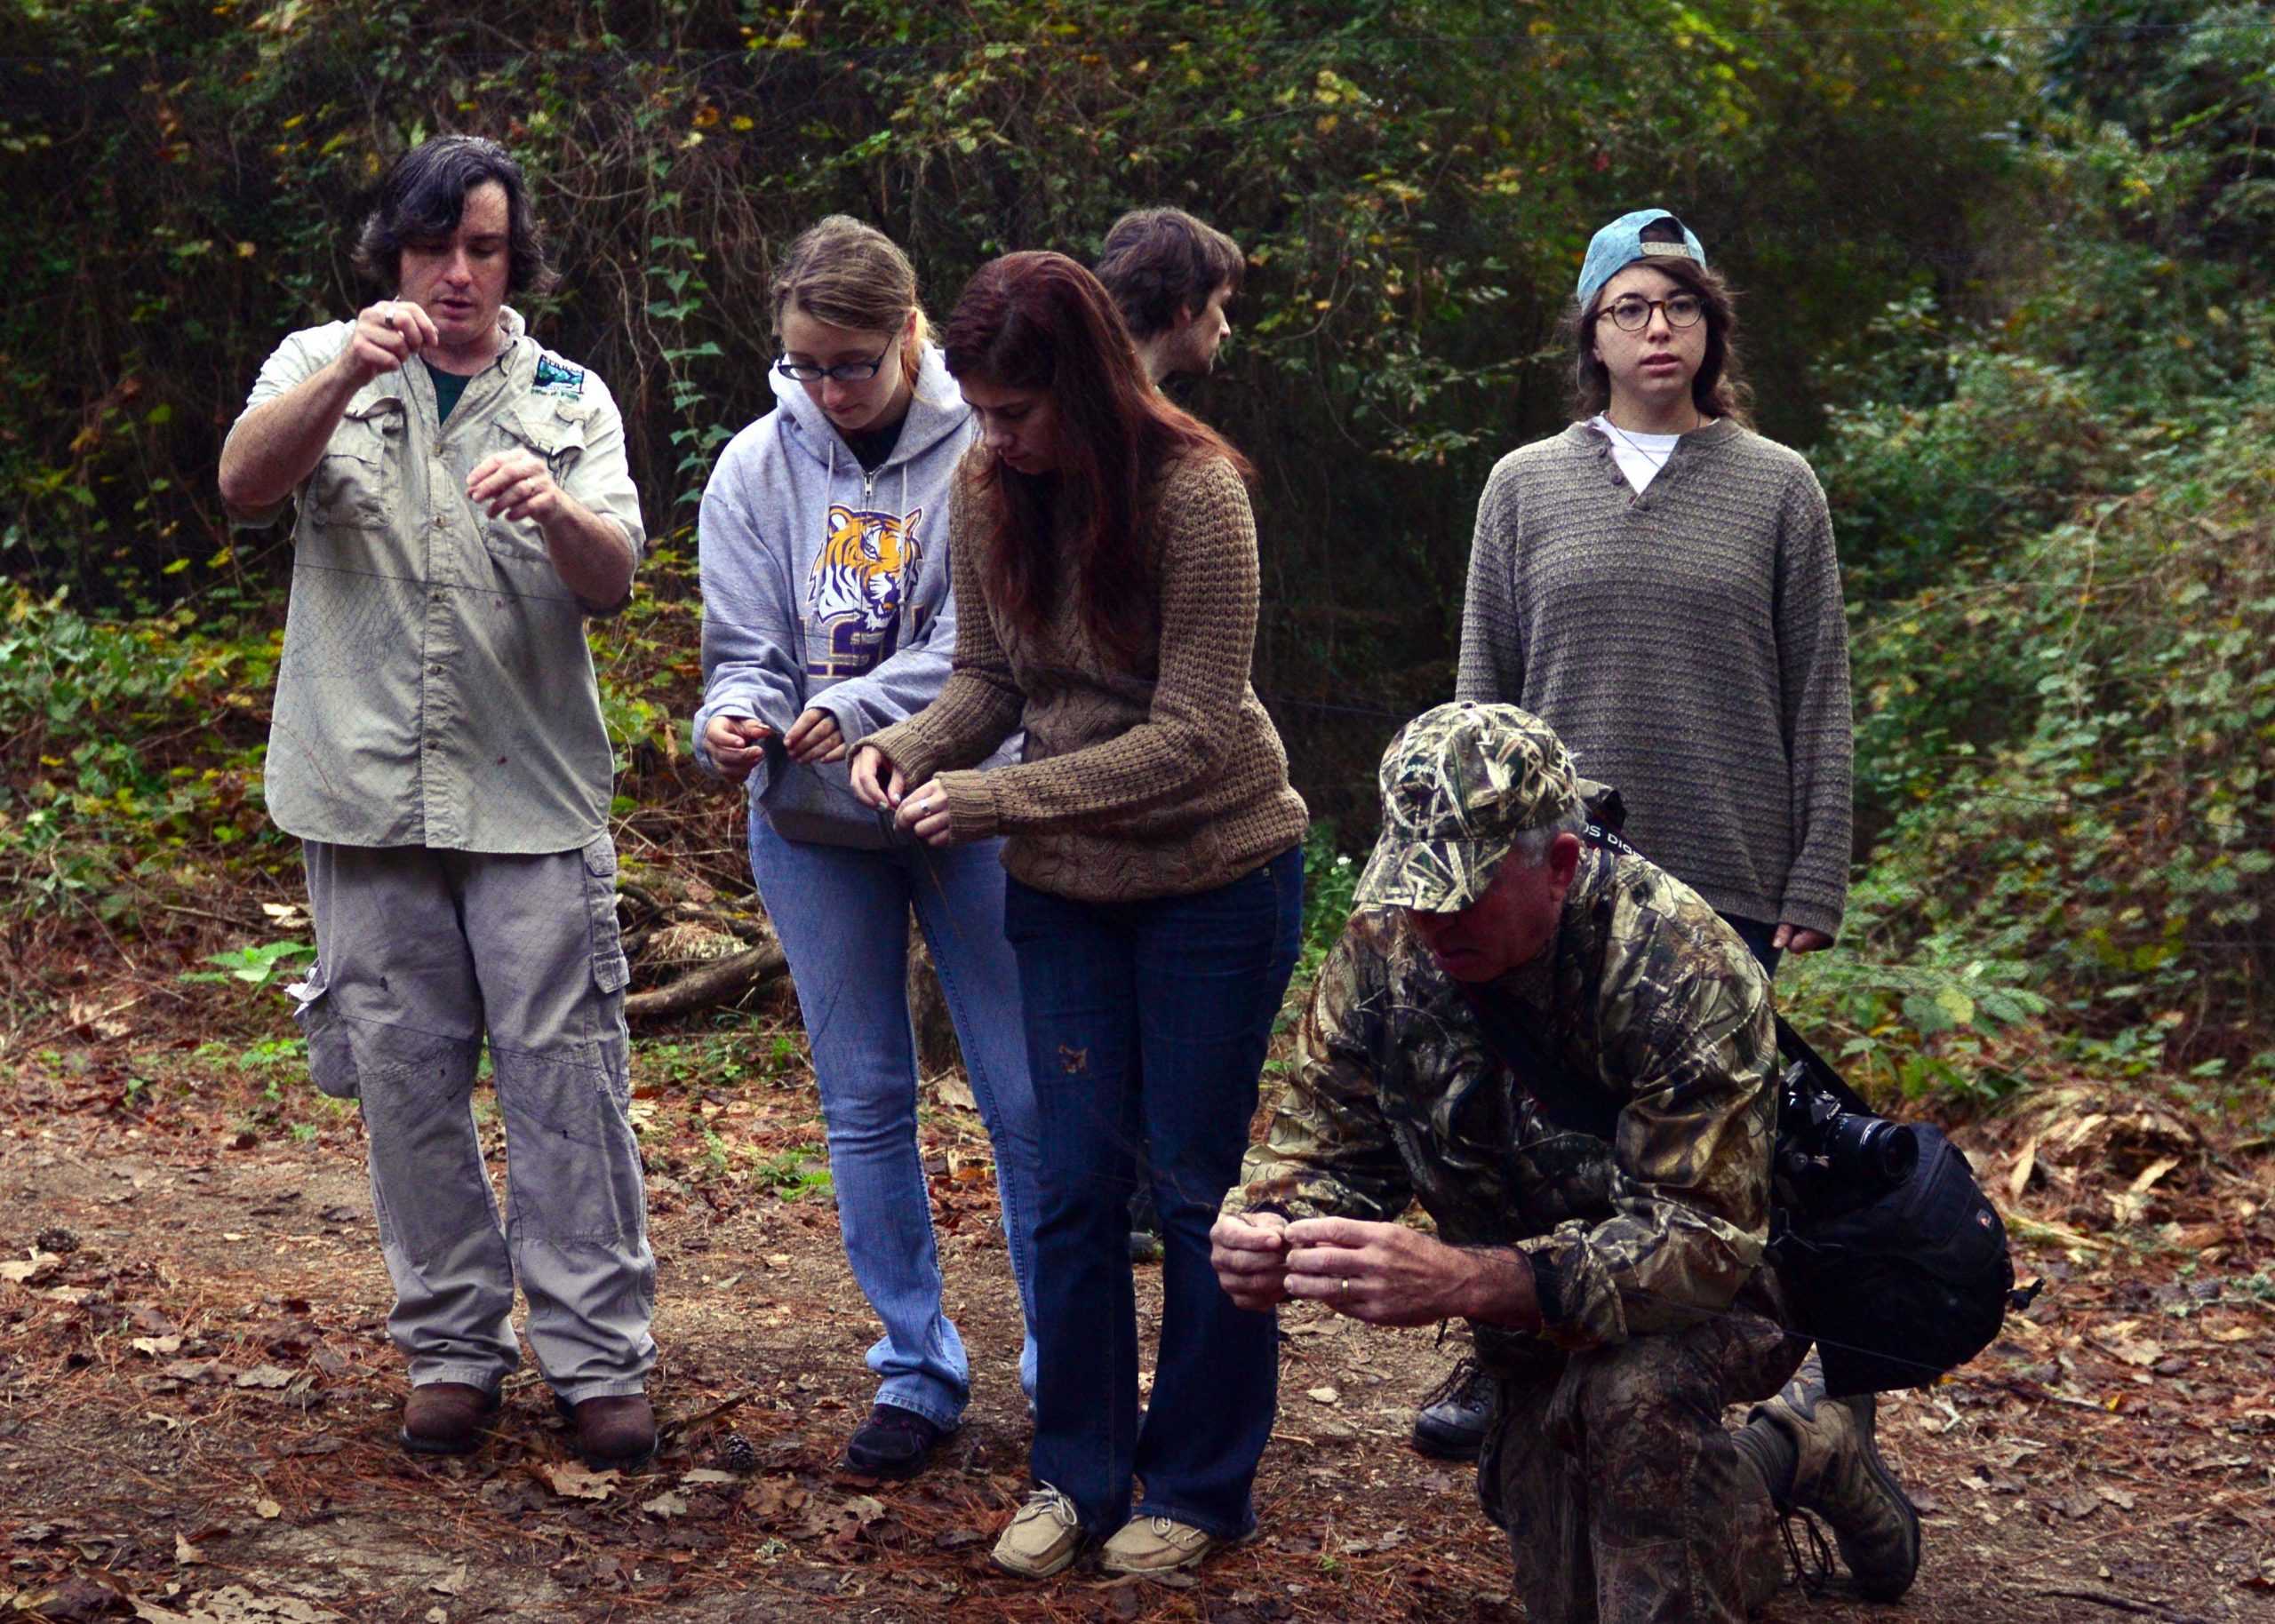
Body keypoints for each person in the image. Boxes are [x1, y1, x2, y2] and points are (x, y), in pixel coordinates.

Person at [1210, 702, 1920, 1623]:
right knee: (1558, 1551)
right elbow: (1321, 1138)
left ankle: (1787, 1451)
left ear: (1559, 864)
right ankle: (1799, 1448)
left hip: (1724, 1287)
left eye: (1462, 889)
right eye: (1416, 884)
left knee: (1631, 1412)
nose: (1432, 916)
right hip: (1528, 1311)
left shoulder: (1679, 966)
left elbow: (1702, 1243)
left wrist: (1474, 1277)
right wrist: (1272, 1219)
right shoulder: (1387, 949)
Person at [849, 251, 1307, 1579]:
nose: (993, 436)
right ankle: (1078, 1472)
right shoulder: (986, 484)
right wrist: (916, 748)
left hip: (1214, 877)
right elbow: (988, 683)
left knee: (1197, 1188)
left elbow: (1190, 735)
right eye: (981, 411)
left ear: (1090, 387)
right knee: (1068, 1191)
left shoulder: (1197, 494)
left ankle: (1203, 1485)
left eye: (1018, 412)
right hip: (1069, 893)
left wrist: (995, 806)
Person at [216, 136, 656, 1469]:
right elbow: (244, 482)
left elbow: (617, 576)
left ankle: (597, 1360)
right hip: (358, 792)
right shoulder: (318, 362)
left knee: (566, 1077)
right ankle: (452, 1348)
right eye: (431, 247)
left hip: (531, 795)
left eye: (482, 249)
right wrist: (351, 366)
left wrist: (556, 516)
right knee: (405, 1077)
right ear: (391, 252)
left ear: (514, 261)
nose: (455, 273)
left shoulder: (567, 395)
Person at [1425, 206, 1854, 1460]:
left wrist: (1815, 870)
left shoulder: (1778, 486)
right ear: (1593, 335)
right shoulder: (1524, 485)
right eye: (1631, 308)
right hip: (1554, 880)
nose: (1657, 328)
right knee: (1534, 1132)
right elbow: (1479, 691)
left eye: (1680, 307)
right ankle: (1510, 1362)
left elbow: (1821, 689)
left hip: (1725, 868)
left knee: (1700, 1159)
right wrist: (1463, 856)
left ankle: (1684, 1390)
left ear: (1711, 329)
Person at [691, 216, 1042, 1480]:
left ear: (911, 337)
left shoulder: (987, 455)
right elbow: (740, 644)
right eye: (806, 367)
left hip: (965, 806)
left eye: (852, 364)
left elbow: (978, 648)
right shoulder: (753, 467)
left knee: (1022, 1097)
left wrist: (853, 708)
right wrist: (732, 718)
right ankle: (913, 1365)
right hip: (811, 822)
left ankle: (1067, 1363)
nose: (830, 392)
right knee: (864, 1102)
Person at [1091, 205, 1245, 1265]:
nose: (1226, 331)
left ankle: (1144, 1190)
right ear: (1183, 307)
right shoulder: (1104, 429)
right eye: (1222, 307)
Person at [1094, 207, 1241, 385]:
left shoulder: (1075, 386)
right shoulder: (1099, 404)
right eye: (1222, 304)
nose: (1226, 330)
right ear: (1188, 304)